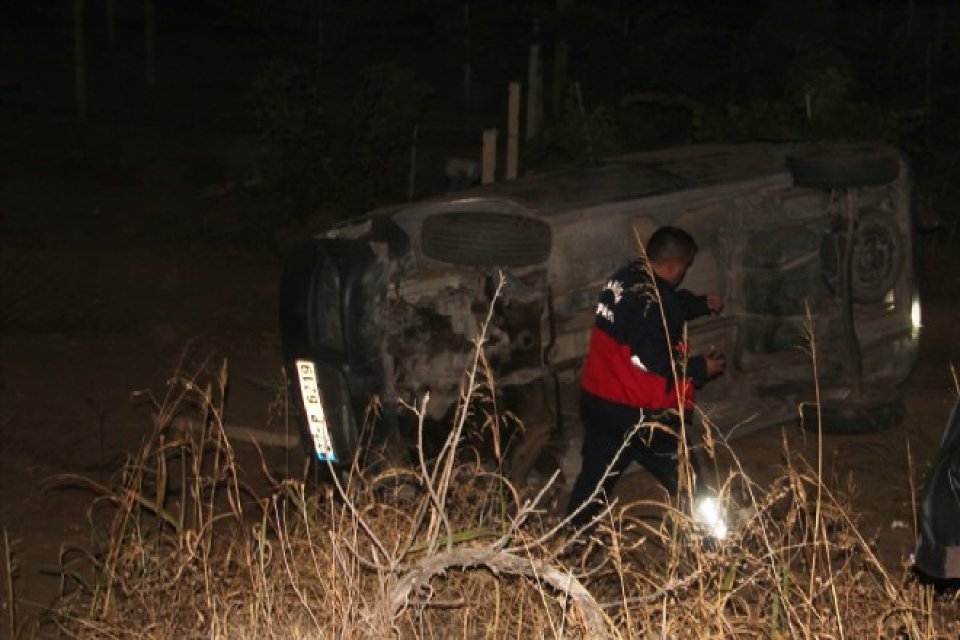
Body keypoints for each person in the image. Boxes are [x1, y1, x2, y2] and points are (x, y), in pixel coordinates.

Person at [566, 226, 726, 530]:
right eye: (685, 267)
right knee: (687, 481)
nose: (684, 272)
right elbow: (653, 359)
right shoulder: (650, 303)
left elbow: (667, 307)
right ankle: (713, 538)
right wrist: (700, 368)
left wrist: (701, 303)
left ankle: (572, 543)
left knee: (592, 485)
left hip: (600, 401)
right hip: (640, 413)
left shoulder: (627, 278)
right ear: (673, 266)